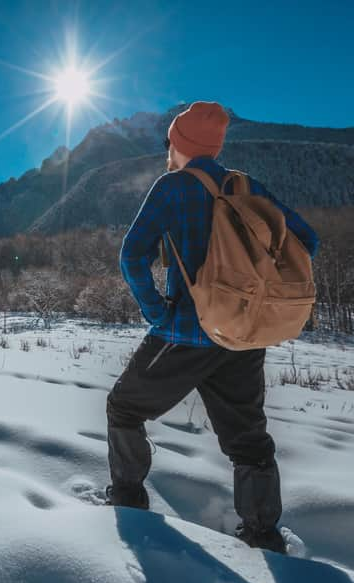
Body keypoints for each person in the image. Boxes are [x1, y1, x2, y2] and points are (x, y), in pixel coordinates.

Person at [105, 101, 319, 553]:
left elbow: (132, 255)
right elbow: (307, 240)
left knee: (124, 409)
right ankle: (262, 535)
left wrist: (156, 311)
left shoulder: (173, 187)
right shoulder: (246, 185)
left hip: (186, 332)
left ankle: (126, 500)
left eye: (171, 141)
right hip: (244, 335)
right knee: (248, 439)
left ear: (178, 145)